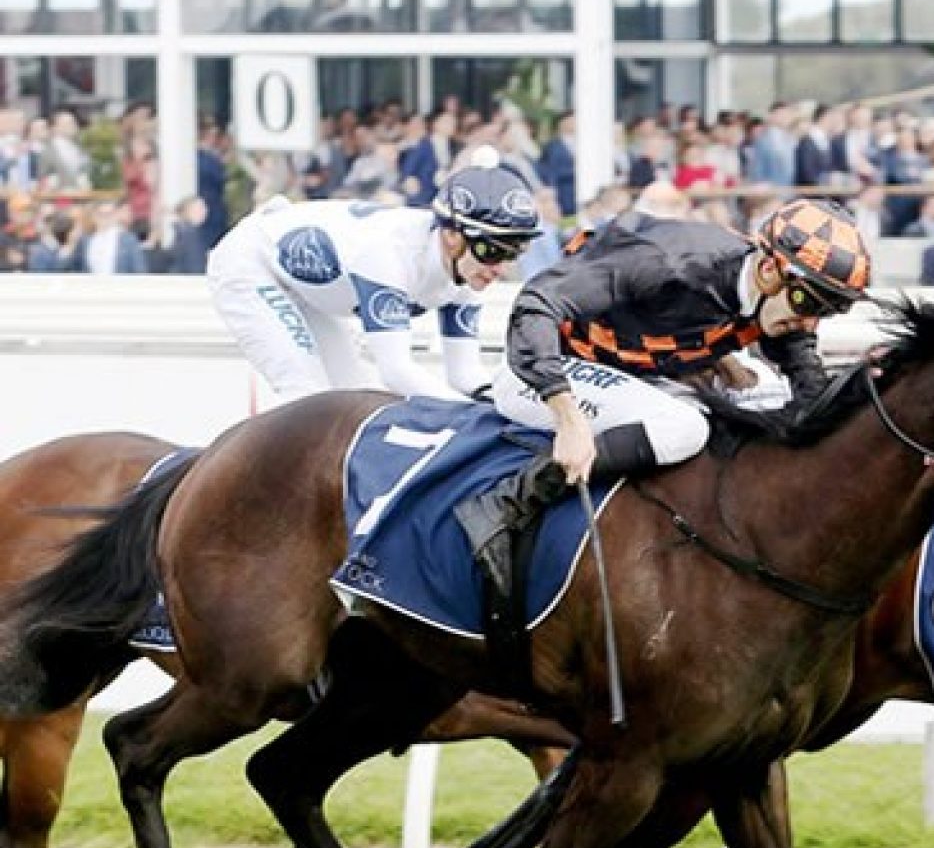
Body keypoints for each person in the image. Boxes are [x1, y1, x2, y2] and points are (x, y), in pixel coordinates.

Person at [453, 197, 874, 616]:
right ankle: (505, 505)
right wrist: (568, 417)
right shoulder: (672, 262)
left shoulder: (776, 302)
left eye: (828, 310)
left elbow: (808, 390)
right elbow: (536, 306)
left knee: (760, 398)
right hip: (541, 373)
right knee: (684, 427)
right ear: (769, 271)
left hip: (624, 375)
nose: (810, 323)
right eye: (808, 304)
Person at [205, 146, 538, 403]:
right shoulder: (390, 256)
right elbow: (396, 372)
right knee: (307, 395)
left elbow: (465, 374)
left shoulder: (466, 272)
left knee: (359, 397)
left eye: (513, 253)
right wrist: (470, 418)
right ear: (452, 236)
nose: (500, 268)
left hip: (305, 284)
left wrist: (509, 408)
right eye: (493, 251)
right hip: (250, 262)